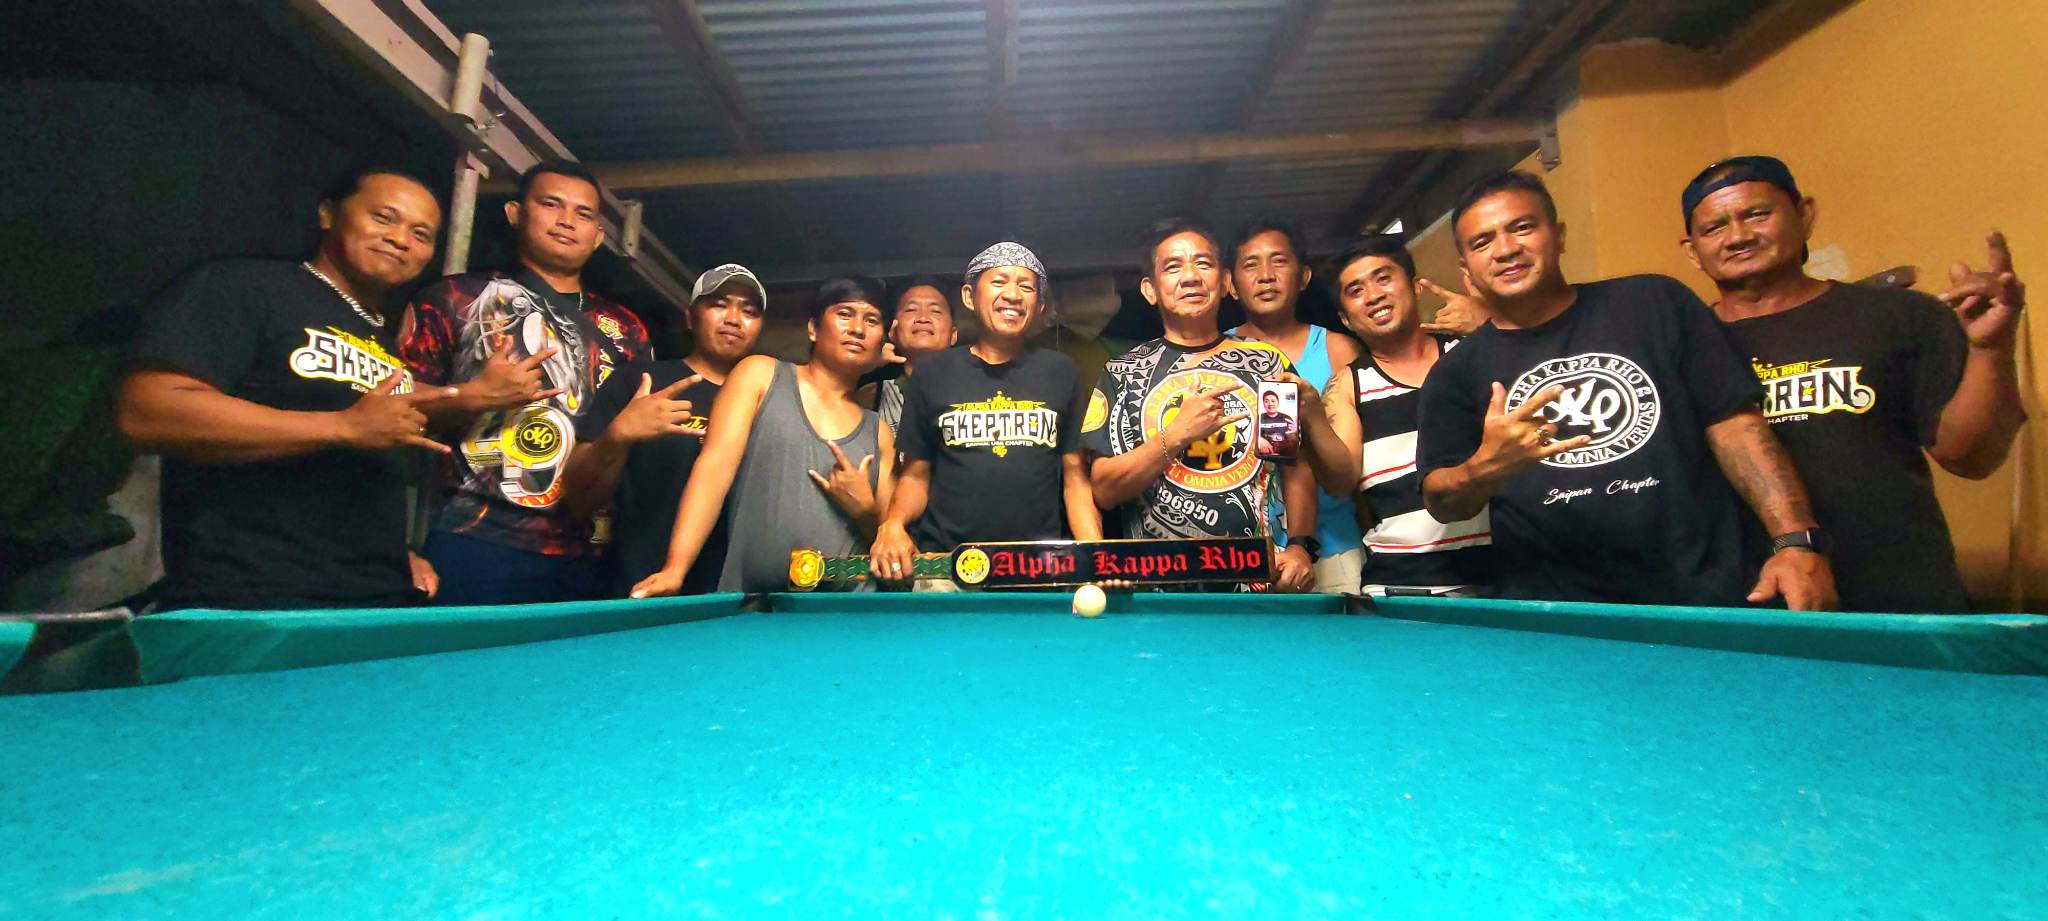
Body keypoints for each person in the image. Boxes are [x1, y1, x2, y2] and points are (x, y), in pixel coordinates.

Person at [1416, 170, 1837, 609]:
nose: (1505, 249)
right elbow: (1442, 501)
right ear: (1466, 268)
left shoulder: (1653, 303)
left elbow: (1735, 425)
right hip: (1562, 614)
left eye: (1522, 227)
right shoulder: (1456, 372)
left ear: (1558, 236)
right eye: (1482, 242)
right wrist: (1484, 467)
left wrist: (1796, 542)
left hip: (1710, 595)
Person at [1678, 156, 2028, 612]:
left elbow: (1971, 457)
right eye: (1715, 227)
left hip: (1903, 605)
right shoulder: (1679, 350)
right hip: (1751, 614)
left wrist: (1991, 351)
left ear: (1804, 214)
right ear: (1692, 251)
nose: (1739, 236)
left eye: (1757, 214)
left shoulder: (1898, 316)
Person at [117, 166, 455, 610]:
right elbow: (148, 411)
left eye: (421, 233)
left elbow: (362, 473)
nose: (400, 239)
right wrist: (339, 426)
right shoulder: (243, 286)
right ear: (328, 214)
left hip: (374, 596)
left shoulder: (384, 340)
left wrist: (395, 555)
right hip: (254, 598)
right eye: (384, 217)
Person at [399, 159, 651, 606]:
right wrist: (473, 396)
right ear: (516, 214)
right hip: (476, 534)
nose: (566, 221)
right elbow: (391, 409)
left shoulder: (626, 327)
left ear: (597, 238)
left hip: (590, 546)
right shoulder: (455, 297)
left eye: (583, 214)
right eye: (551, 204)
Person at [1083, 219, 1353, 592]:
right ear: (1150, 290)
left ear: (1225, 282)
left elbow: (1293, 466)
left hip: (1257, 584)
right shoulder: (1122, 373)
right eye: (1173, 267)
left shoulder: (1267, 365)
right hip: (1154, 589)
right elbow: (1104, 489)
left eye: (1203, 264)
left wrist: (1300, 546)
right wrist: (1177, 435)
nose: (1191, 277)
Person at [631, 276, 895, 597]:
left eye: (872, 320)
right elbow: (715, 468)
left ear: (882, 338)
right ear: (812, 328)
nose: (857, 328)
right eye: (844, 314)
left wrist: (865, 512)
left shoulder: (878, 431)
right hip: (756, 607)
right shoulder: (760, 375)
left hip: (849, 611)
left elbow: (890, 542)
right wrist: (676, 568)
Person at [869, 243, 1104, 589]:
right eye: (999, 282)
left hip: (1039, 571)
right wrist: (893, 524)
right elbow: (916, 475)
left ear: (1038, 306)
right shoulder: (932, 373)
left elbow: (1074, 479)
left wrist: (1096, 556)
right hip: (946, 568)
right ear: (969, 296)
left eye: (1026, 286)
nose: (1013, 294)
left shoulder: (1060, 371)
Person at [561, 264, 768, 597]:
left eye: (749, 311)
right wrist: (617, 436)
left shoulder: (768, 403)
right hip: (637, 587)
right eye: (718, 304)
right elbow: (576, 499)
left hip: (732, 600)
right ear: (690, 317)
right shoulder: (642, 381)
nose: (733, 318)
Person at [1321, 235, 1495, 595]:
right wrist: (1310, 417)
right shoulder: (1348, 385)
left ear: (1416, 287)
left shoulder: (1472, 353)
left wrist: (1490, 319)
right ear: (1345, 319)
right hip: (1401, 586)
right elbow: (1340, 482)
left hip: (1501, 577)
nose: (1373, 295)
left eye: (1384, 278)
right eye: (1355, 290)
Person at [1224, 219, 1366, 592]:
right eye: (1251, 264)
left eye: (1279, 262)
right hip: (1243, 560)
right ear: (1231, 284)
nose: (1266, 275)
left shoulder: (1338, 350)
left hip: (1332, 550)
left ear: (1303, 276)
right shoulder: (1214, 357)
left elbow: (1354, 471)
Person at [860, 278, 959, 434]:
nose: (923, 318)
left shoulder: (978, 390)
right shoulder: (872, 395)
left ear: (953, 334)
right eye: (911, 310)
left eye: (935, 311)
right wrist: (866, 364)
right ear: (893, 331)